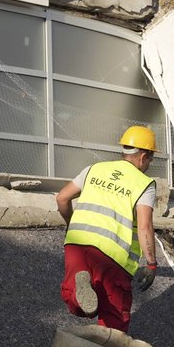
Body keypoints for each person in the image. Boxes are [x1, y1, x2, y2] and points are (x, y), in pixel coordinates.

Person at [57, 125, 160, 333]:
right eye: (150, 159)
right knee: (114, 320)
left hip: (77, 245)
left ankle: (80, 291)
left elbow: (62, 198)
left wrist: (72, 225)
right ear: (143, 156)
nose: (149, 164)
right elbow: (145, 227)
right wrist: (151, 264)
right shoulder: (144, 183)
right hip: (112, 256)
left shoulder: (94, 169)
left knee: (76, 301)